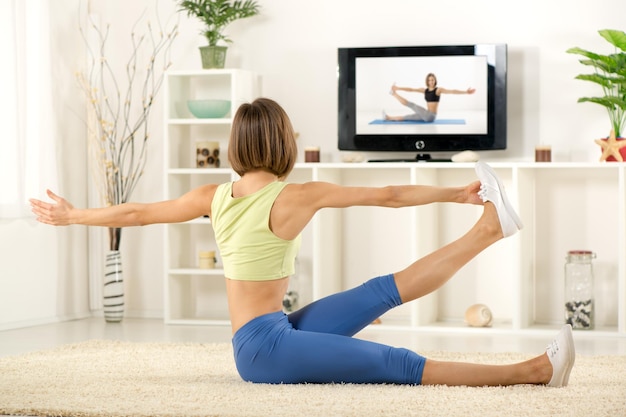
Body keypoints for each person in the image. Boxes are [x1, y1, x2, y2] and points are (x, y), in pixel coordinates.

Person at [30, 97, 575, 387]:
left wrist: (73, 214)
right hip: (266, 350)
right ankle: (531, 373)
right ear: (282, 142)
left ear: (237, 146)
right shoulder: (296, 195)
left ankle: (488, 229)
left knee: (379, 291)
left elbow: (138, 212)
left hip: (273, 331)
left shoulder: (213, 195)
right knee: (396, 363)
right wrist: (453, 191)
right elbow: (385, 194)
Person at [384, 73, 475, 122]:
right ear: (427, 81)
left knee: (411, 105)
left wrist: (466, 92)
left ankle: (393, 94)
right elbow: (411, 89)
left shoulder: (438, 90)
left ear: (435, 81)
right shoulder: (425, 90)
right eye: (429, 80)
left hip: (431, 116)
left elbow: (452, 91)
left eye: (432, 80)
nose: (431, 81)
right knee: (407, 117)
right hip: (426, 115)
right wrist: (399, 88)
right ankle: (389, 118)